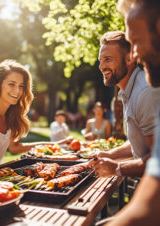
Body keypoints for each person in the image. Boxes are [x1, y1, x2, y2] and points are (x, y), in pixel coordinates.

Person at [103, 1, 160, 225]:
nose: (134, 54)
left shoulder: (146, 93)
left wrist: (116, 168)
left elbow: (149, 209)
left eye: (135, 41)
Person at [89, 31, 159, 177]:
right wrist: (109, 154)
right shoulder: (128, 91)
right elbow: (140, 142)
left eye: (107, 59)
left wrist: (117, 168)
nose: (101, 66)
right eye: (100, 60)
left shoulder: (145, 93)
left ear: (129, 59)